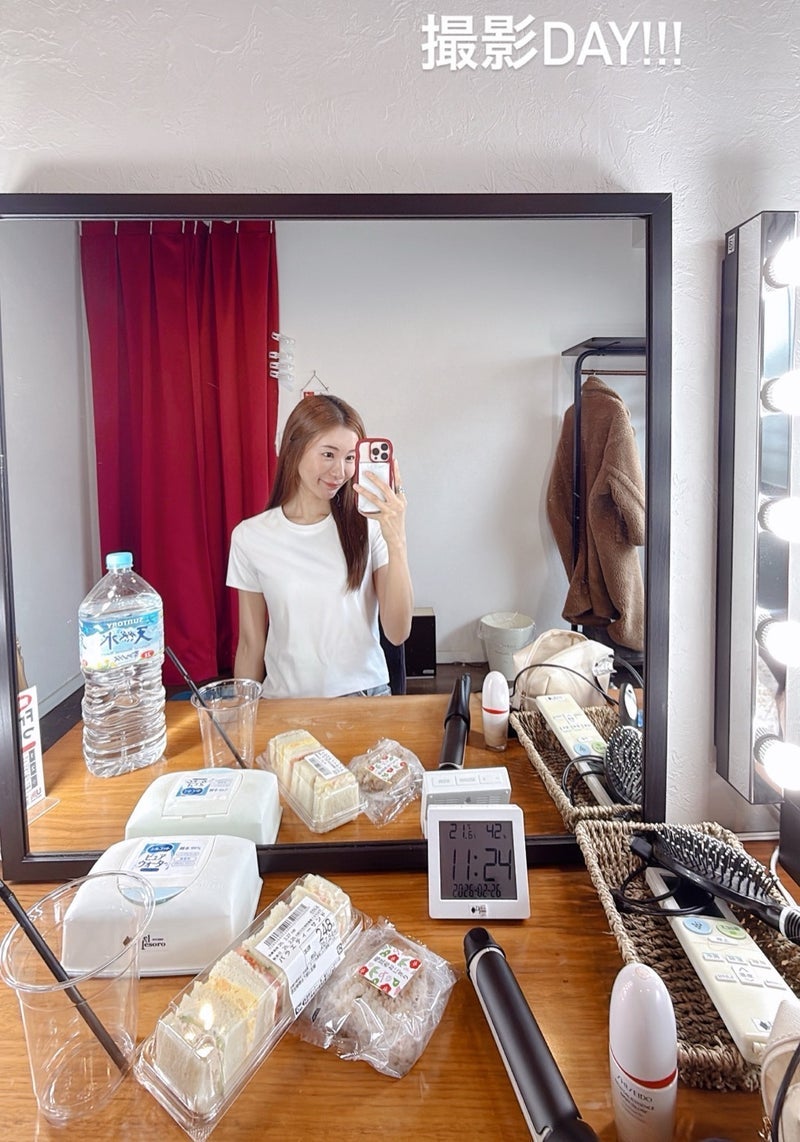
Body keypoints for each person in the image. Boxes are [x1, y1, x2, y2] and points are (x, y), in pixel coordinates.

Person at [227, 394, 414, 698]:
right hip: (285, 703)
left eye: (350, 458)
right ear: (294, 449)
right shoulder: (250, 537)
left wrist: (397, 540)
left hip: (365, 698)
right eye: (328, 454)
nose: (340, 472)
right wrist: (242, 713)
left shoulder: (370, 526)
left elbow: (397, 632)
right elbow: (250, 643)